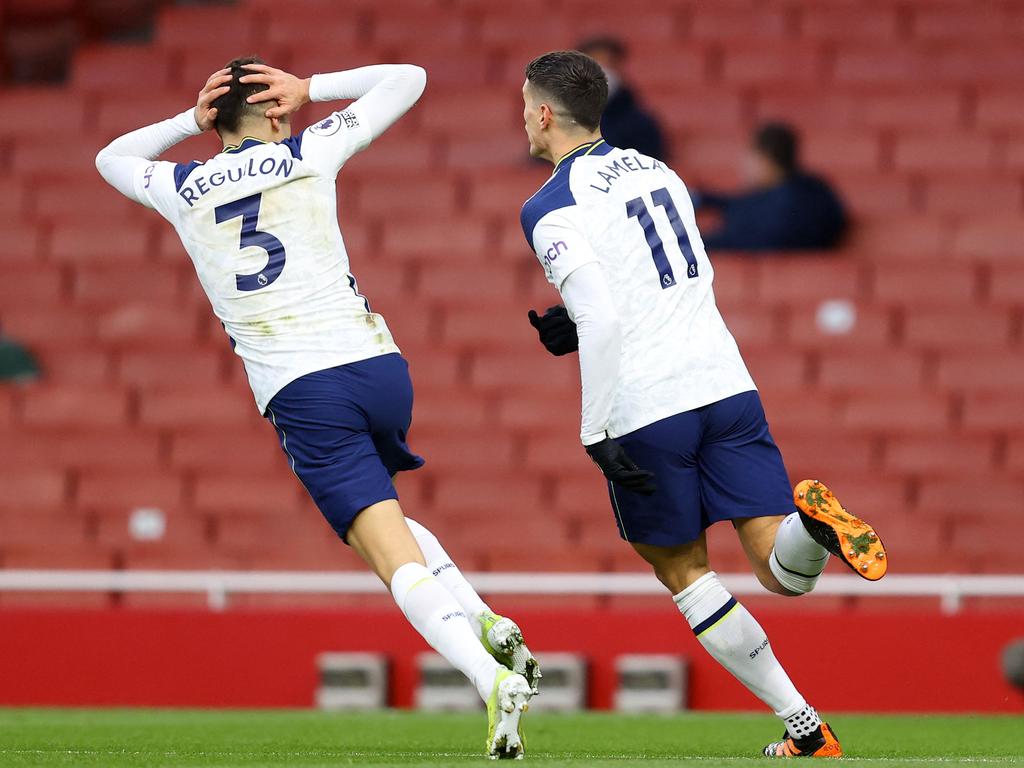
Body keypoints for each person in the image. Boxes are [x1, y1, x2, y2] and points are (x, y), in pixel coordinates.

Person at [96, 57, 537, 758]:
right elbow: (412, 78)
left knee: (384, 552)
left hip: (304, 387)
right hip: (380, 367)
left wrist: (189, 121)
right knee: (386, 517)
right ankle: (483, 618)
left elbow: (111, 156)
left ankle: (489, 680)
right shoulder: (309, 147)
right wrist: (314, 89)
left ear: (217, 119)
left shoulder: (179, 184)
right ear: (273, 113)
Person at [520, 51, 887, 759]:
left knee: (685, 573)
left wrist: (594, 429)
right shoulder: (661, 172)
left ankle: (807, 726)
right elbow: (654, 279)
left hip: (647, 407)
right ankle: (812, 529)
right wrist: (579, 322)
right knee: (780, 570)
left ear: (543, 113)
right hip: (725, 384)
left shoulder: (549, 204)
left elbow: (600, 313)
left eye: (523, 105)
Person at [697, 122, 847, 252]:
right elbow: (739, 203)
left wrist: (700, 243)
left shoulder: (788, 202)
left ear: (767, 158)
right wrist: (703, 199)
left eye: (751, 158)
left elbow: (746, 236)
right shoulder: (814, 188)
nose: (745, 166)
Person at [578, 37, 667, 160]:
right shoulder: (559, 121)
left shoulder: (641, 124)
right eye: (594, 65)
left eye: (608, 64)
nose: (602, 72)